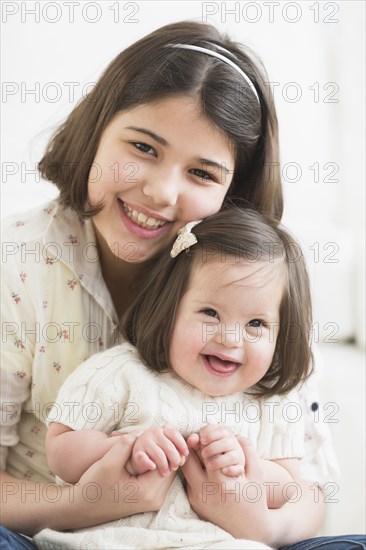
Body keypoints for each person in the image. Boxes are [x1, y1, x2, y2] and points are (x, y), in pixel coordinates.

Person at [0, 19, 363, 550]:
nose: (161, 192)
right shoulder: (20, 265)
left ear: (234, 190)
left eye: (202, 174)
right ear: (98, 129)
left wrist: (256, 525)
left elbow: (305, 493)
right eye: (144, 148)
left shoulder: (261, 285)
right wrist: (85, 504)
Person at [34, 207, 310, 549]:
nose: (230, 339)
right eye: (210, 313)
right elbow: (60, 449)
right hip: (111, 541)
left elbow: (287, 485)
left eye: (256, 324)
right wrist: (122, 449)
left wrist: (246, 470)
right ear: (170, 309)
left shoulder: (272, 401)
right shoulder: (120, 373)